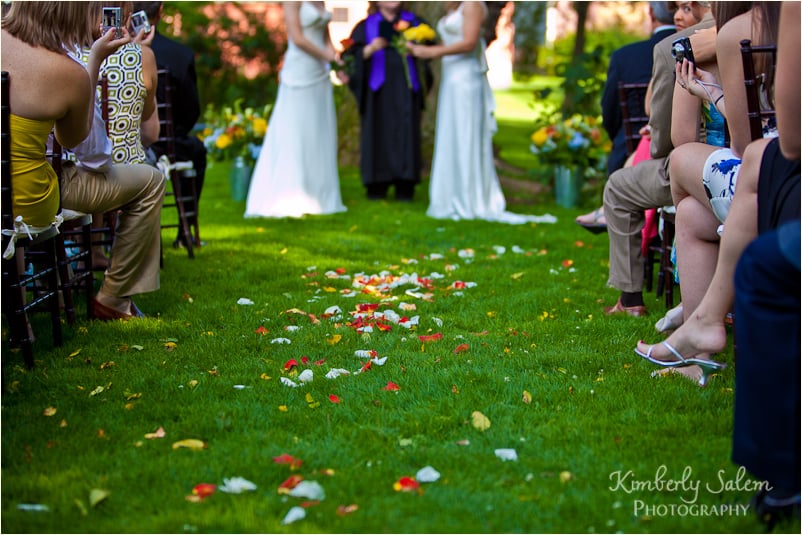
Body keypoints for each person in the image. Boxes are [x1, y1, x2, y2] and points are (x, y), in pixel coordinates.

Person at [602, 10, 716, 317]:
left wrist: (655, 137)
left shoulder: (679, 47)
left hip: (699, 161)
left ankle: (630, 300)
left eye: (686, 6)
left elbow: (669, 140)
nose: (680, 14)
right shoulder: (771, 27)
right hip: (763, 155)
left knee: (618, 187)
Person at [407, 2, 554, 224]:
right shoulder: (452, 7)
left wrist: (430, 52)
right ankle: (450, 195)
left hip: (466, 78)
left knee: (466, 135)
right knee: (452, 135)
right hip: (451, 78)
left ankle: (468, 197)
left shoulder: (473, 4)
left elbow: (469, 43)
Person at [576, 1, 677, 234]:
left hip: (634, 146)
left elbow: (610, 110)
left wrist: (619, 140)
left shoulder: (625, 56)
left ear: (651, 13)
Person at [244, 2, 346, 218]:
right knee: (296, 128)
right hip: (301, 68)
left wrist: (336, 62)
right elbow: (297, 38)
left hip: (320, 72)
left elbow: (326, 38)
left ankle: (320, 193)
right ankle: (291, 191)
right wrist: (326, 57)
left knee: (318, 130)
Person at [339, 1, 430, 201]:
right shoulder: (366, 26)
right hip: (377, 91)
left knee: (406, 132)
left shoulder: (414, 23)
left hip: (406, 89)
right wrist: (371, 49)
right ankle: (377, 183)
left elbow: (430, 51)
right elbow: (349, 59)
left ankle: (405, 184)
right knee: (376, 132)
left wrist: (415, 48)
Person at [133, 1, 206, 248]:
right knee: (197, 150)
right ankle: (186, 233)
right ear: (161, 11)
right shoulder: (179, 54)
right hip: (168, 142)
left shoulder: (108, 51)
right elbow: (191, 109)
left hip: (123, 143)